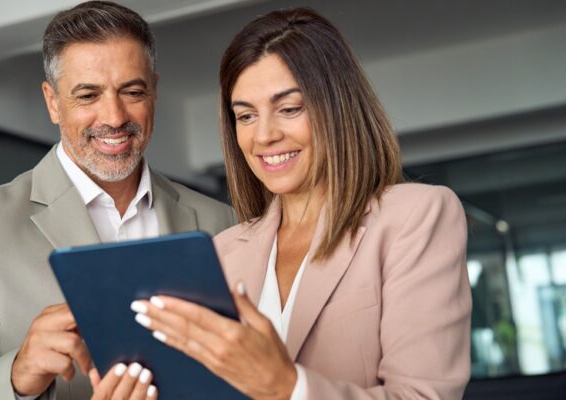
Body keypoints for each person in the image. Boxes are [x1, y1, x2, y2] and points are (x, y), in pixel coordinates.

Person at [0, 2, 236, 400]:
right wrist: (16, 375)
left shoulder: (221, 222)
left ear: (154, 90)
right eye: (88, 95)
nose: (114, 116)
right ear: (52, 101)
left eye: (132, 91)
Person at [130, 7, 472, 399]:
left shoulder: (416, 217)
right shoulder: (222, 251)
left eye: (289, 108)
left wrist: (287, 387)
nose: (264, 136)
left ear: (338, 107)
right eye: (246, 116)